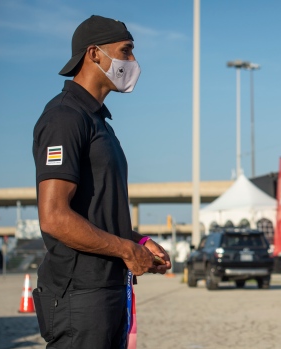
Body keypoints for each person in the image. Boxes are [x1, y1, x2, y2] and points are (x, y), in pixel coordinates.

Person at [32, 15, 171, 348]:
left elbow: (94, 212)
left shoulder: (98, 122)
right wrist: (125, 249)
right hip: (80, 296)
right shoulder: (65, 118)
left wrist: (137, 243)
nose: (133, 62)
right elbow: (54, 217)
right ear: (94, 53)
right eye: (126, 51)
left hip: (106, 292)